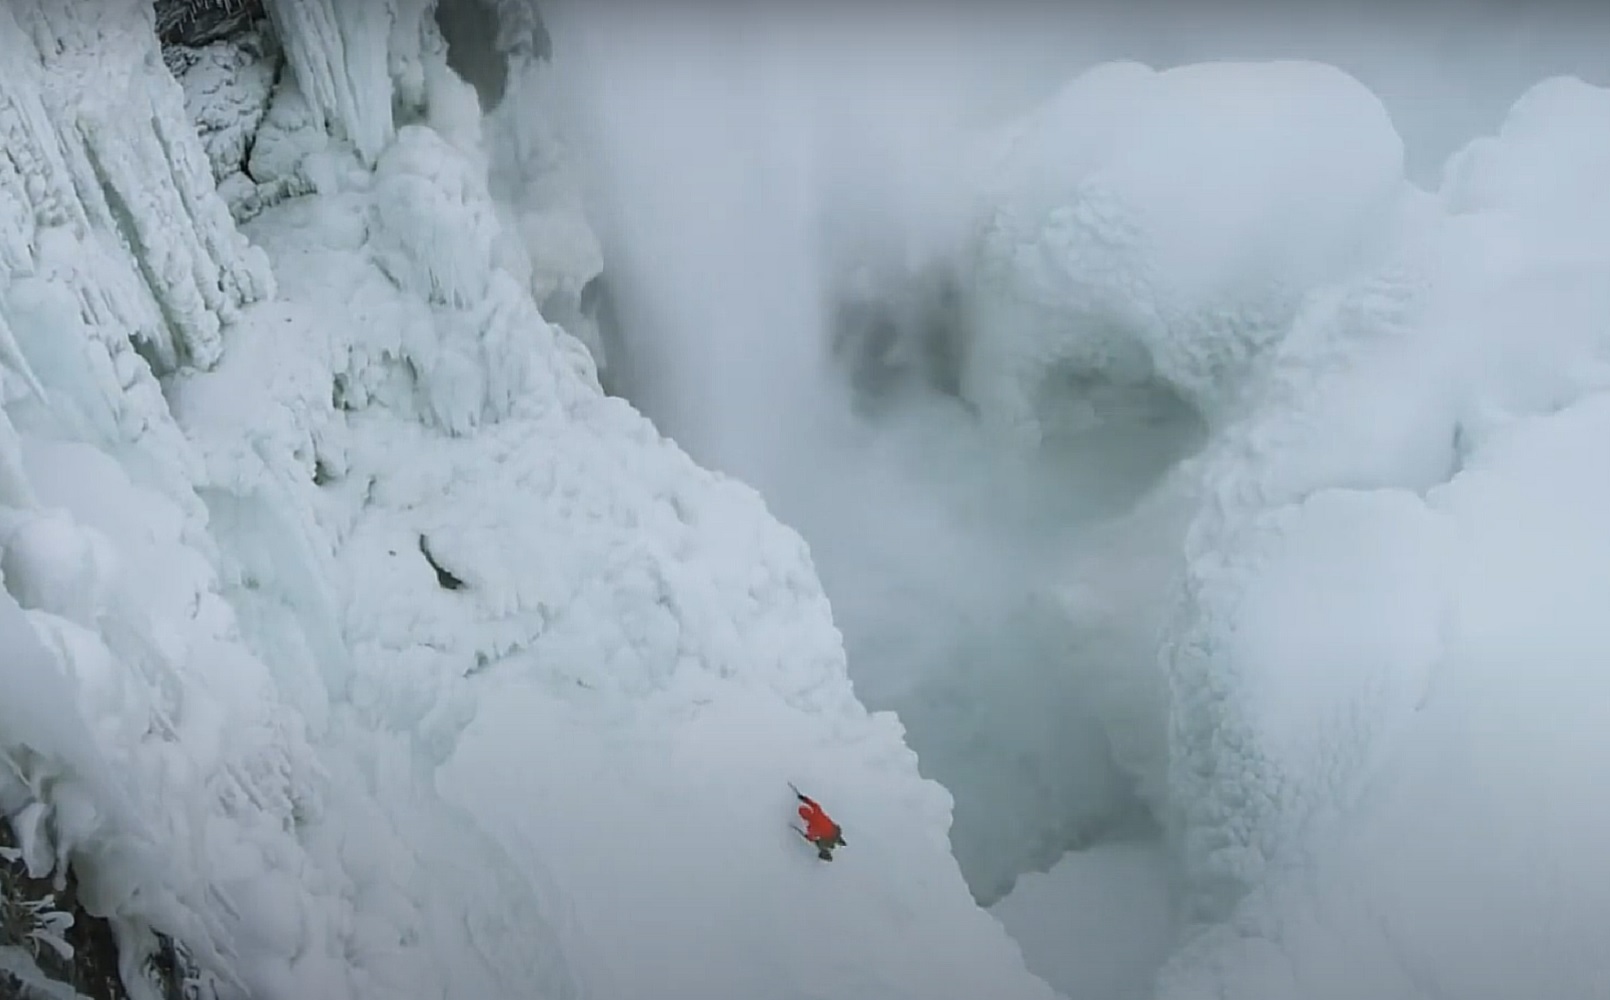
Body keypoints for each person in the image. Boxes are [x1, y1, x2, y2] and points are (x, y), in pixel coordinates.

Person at [793, 787, 846, 861]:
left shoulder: (811, 827)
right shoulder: (817, 811)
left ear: (804, 818)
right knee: (833, 832)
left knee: (819, 843)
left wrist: (807, 837)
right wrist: (804, 799)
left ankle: (825, 854)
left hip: (828, 838)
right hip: (834, 830)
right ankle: (838, 839)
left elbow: (811, 837)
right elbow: (814, 804)